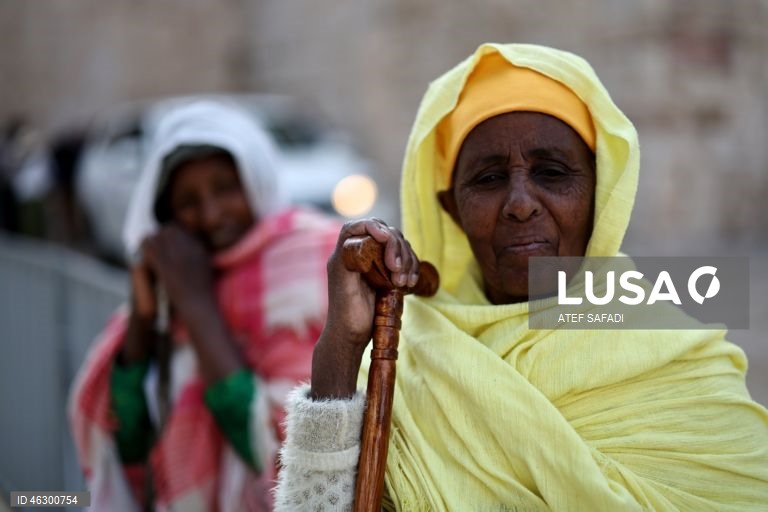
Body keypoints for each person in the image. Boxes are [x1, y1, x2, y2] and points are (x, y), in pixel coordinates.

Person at [273, 43, 768, 510]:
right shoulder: (402, 353)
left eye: (552, 172)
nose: (520, 204)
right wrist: (340, 348)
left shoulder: (680, 358)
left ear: (600, 192)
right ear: (451, 208)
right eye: (488, 179)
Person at [68, 101, 341, 511]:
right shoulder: (174, 287)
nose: (211, 215)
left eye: (225, 188)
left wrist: (198, 307)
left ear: (256, 182)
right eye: (188, 202)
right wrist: (145, 316)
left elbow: (287, 454)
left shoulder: (314, 261)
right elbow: (127, 439)